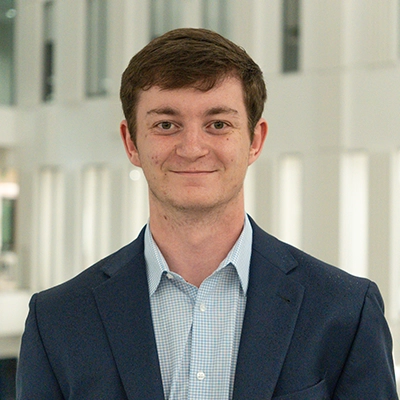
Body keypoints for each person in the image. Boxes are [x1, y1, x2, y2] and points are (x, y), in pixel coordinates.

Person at [16, 28, 397, 399]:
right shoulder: (58, 320)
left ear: (255, 140)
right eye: (166, 125)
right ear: (131, 143)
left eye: (218, 124)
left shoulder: (344, 310)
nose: (192, 147)